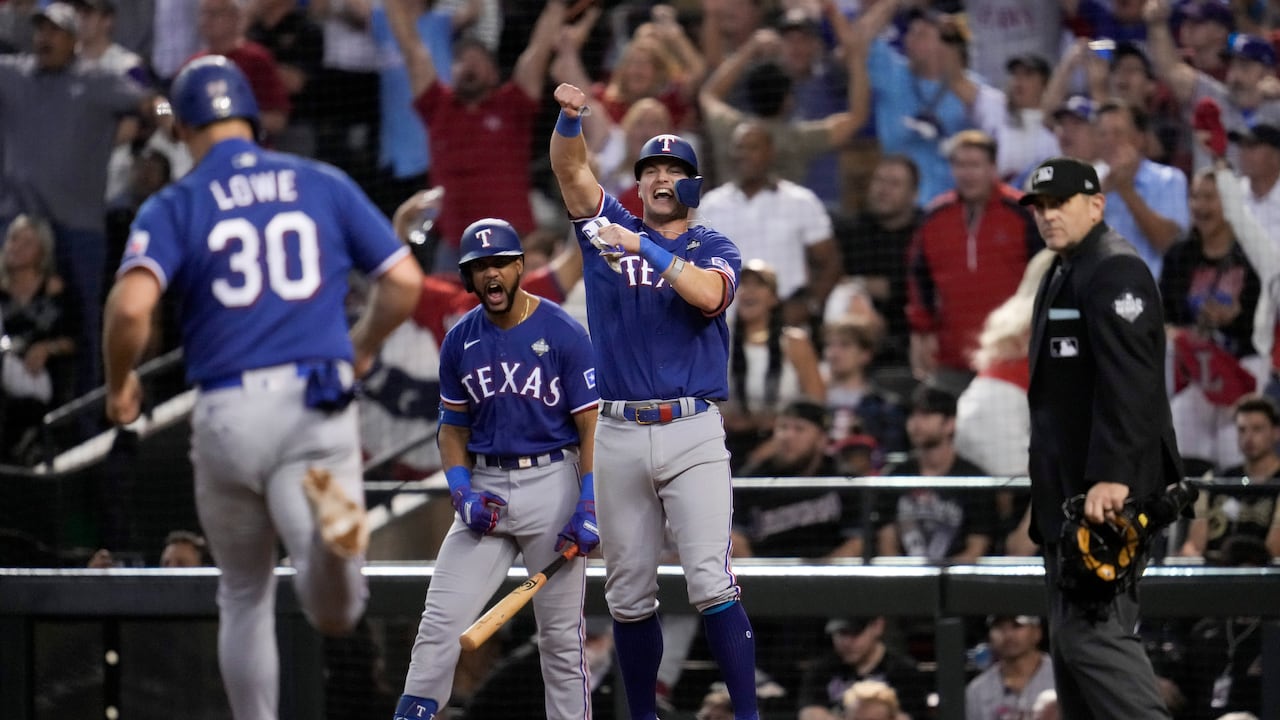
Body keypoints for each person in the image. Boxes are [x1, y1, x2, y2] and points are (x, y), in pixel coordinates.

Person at [102, 56, 424, 720]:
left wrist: (119, 384)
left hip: (228, 409)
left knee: (243, 594)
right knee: (337, 612)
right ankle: (332, 554)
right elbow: (404, 283)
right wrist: (361, 346)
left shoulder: (178, 200)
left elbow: (131, 309)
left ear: (186, 126)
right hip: (316, 401)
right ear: (251, 117)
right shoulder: (321, 181)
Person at [550, 82, 760, 720]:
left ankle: (749, 716)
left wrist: (644, 246)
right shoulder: (606, 226)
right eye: (651, 171)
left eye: (674, 171)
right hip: (615, 430)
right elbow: (570, 167)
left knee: (709, 580)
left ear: (695, 184)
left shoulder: (713, 246)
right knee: (628, 594)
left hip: (692, 430)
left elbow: (709, 297)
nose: (661, 179)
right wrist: (569, 118)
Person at [392, 218, 601, 720]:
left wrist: (589, 500)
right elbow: (452, 427)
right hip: (486, 487)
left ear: (520, 267)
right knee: (438, 625)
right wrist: (461, 491)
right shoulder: (460, 339)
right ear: (467, 277)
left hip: (554, 480)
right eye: (479, 267)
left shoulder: (564, 332)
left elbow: (593, 427)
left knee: (560, 642)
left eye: (500, 264)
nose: (491, 275)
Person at [1021, 156, 1185, 720]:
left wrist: (1113, 475)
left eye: (1059, 203)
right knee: (1072, 656)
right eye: (1039, 206)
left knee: (1093, 638)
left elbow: (1132, 383)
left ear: (1095, 204)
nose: (1047, 215)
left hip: (1105, 498)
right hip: (1068, 498)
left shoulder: (1115, 268)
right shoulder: (1061, 269)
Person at [797, 617, 931, 720]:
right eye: (840, 633)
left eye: (855, 633)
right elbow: (809, 714)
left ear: (878, 626)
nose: (847, 643)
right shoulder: (821, 669)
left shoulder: (903, 671)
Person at [965, 615, 1055, 720]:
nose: (1008, 635)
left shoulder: (1062, 677)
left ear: (1037, 632)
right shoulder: (978, 690)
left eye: (1016, 626)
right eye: (999, 627)